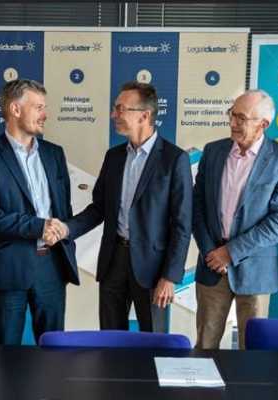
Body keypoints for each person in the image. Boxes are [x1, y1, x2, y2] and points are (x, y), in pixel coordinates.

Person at [50, 81, 193, 332]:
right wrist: (66, 228)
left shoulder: (174, 159)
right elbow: (99, 208)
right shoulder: (114, 156)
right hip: (112, 262)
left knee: (154, 341)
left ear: (144, 116)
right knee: (111, 338)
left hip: (153, 269)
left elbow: (182, 224)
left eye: (120, 108)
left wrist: (169, 277)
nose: (113, 114)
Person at [0, 79, 78, 345]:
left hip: (52, 267)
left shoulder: (54, 154)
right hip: (9, 269)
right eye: (38, 107)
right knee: (7, 355)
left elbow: (63, 209)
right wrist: (39, 226)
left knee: (53, 350)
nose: (45, 114)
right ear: (15, 110)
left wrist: (60, 230)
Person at [193, 89, 278, 349]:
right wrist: (210, 253)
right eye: (232, 115)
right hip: (211, 265)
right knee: (205, 346)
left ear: (263, 124)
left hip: (256, 270)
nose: (233, 123)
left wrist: (230, 253)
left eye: (241, 118)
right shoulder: (213, 151)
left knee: (253, 352)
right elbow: (197, 206)